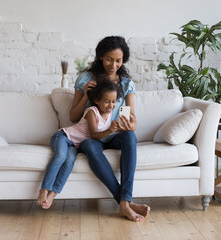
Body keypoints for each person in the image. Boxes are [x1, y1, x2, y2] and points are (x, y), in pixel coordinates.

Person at [70, 36, 150, 222]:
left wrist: (132, 125)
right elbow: (72, 117)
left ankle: (125, 202)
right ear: (100, 57)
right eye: (108, 59)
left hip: (114, 134)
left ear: (123, 61)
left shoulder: (126, 83)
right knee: (89, 146)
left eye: (118, 60)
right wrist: (85, 96)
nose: (113, 64)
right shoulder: (85, 79)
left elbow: (132, 118)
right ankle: (125, 203)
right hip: (92, 136)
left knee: (130, 136)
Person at [37, 79, 121, 209]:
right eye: (107, 101)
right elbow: (94, 135)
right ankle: (44, 189)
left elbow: (102, 135)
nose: (111, 105)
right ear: (97, 101)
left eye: (114, 101)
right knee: (60, 156)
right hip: (64, 137)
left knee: (69, 162)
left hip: (74, 146)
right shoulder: (92, 111)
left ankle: (52, 194)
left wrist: (117, 128)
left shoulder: (109, 115)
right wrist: (110, 130)